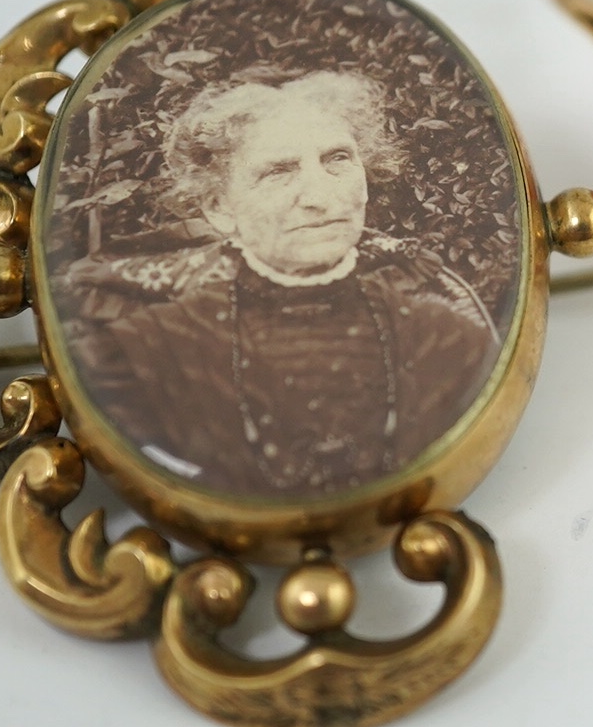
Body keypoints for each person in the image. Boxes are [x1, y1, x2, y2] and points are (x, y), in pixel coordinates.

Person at [69, 71, 501, 499]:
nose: (320, 197)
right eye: (278, 171)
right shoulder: (145, 354)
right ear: (219, 207)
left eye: (337, 160)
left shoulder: (449, 338)